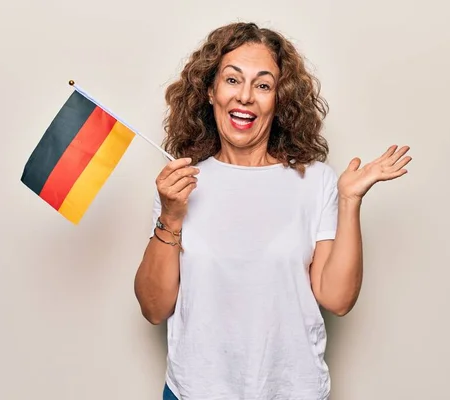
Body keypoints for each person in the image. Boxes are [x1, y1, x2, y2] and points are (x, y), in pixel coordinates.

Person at [134, 22, 411, 400]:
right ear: (210, 91)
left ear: (279, 100)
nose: (245, 96)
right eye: (232, 80)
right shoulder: (180, 184)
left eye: (263, 85)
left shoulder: (315, 181)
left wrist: (349, 200)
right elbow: (154, 308)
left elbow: (337, 299)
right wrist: (170, 216)